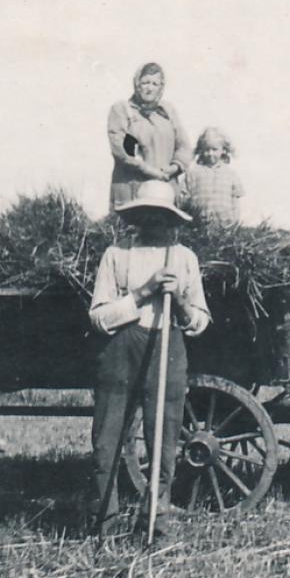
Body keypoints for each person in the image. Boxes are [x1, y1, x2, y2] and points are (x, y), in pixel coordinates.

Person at [88, 180, 210, 535]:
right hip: (121, 350)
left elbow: (200, 321)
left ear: (172, 219)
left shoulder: (184, 258)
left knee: (164, 440)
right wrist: (144, 291)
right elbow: (99, 317)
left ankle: (154, 520)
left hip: (168, 348)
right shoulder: (117, 254)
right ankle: (103, 522)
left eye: (162, 215)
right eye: (148, 214)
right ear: (137, 217)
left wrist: (180, 300)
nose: (154, 221)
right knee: (107, 440)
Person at [108, 62, 192, 210]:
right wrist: (150, 171)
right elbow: (122, 150)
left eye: (155, 84)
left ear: (161, 87)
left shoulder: (168, 111)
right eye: (145, 82)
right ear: (137, 84)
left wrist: (173, 168)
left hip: (165, 190)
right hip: (132, 189)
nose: (149, 88)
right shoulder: (123, 110)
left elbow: (184, 147)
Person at [181, 127, 244, 224]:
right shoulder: (193, 173)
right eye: (206, 150)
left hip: (224, 224)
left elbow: (235, 202)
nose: (210, 153)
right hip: (198, 224)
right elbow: (184, 199)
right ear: (200, 150)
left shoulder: (231, 174)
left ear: (223, 150)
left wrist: (235, 221)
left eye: (214, 149)